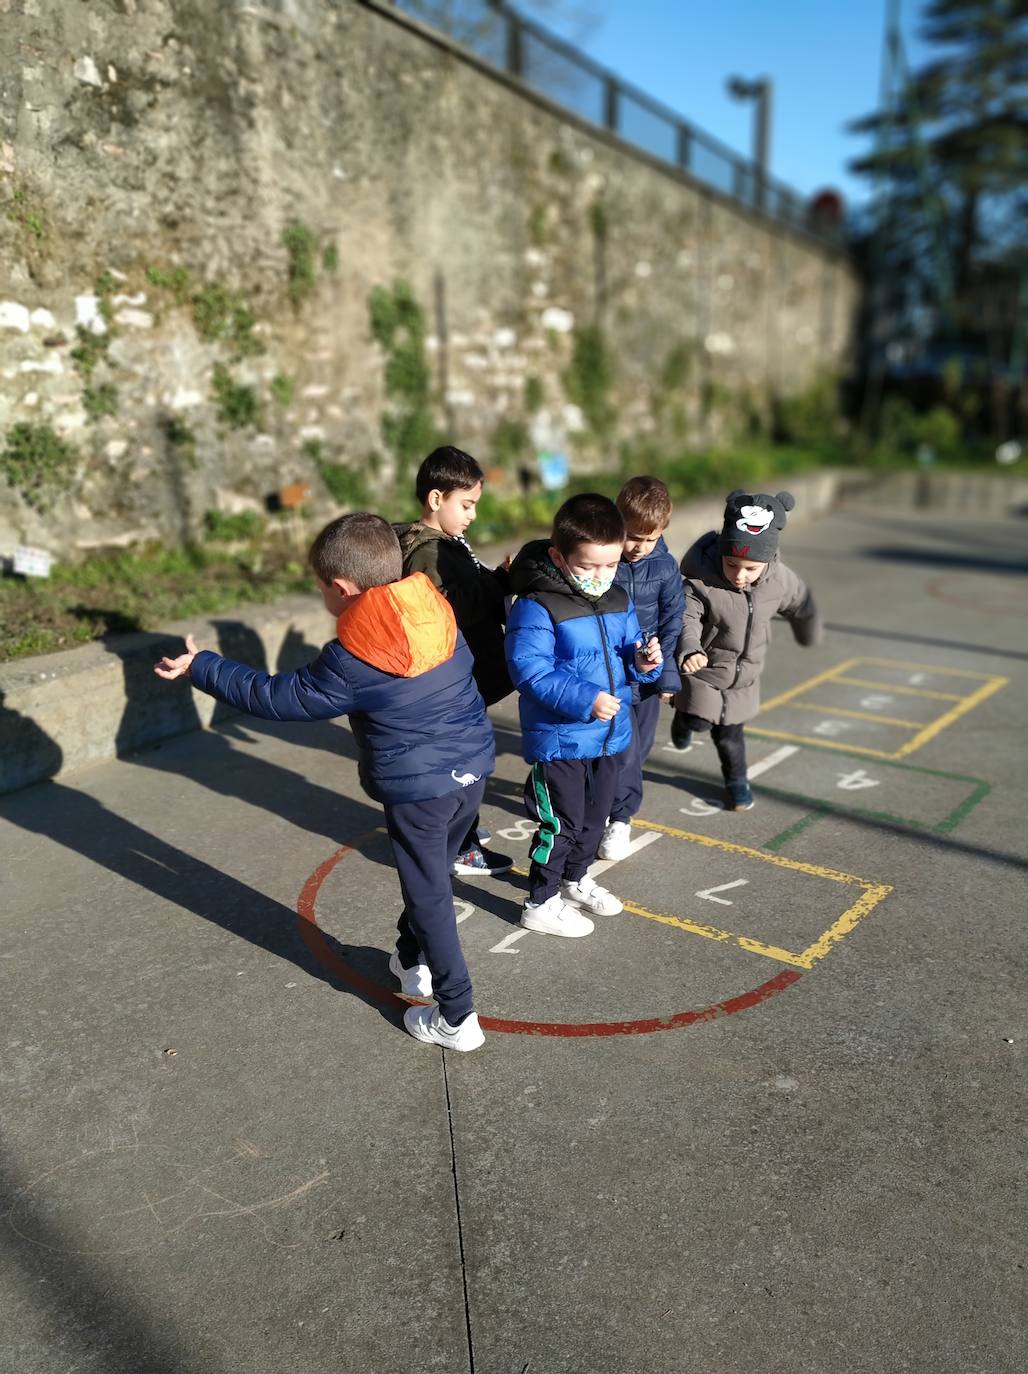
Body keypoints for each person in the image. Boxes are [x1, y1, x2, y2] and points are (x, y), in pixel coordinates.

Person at [153, 512, 494, 1052]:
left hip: (418, 789)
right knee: (432, 880)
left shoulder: (352, 656)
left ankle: (458, 1015)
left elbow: (277, 696)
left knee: (429, 893)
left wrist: (204, 667)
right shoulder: (434, 608)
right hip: (472, 770)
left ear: (341, 588)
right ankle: (411, 957)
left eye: (321, 590)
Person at [505, 493, 663, 937]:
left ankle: (575, 879)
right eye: (587, 566)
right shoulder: (536, 606)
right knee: (563, 822)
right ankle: (540, 899)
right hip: (562, 738)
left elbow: (627, 653)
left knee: (596, 819)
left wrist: (645, 663)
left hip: (609, 734)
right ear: (558, 556)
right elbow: (529, 669)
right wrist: (585, 699)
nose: (600, 576)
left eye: (609, 566)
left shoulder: (618, 597)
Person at [394, 446, 514, 879]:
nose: (472, 515)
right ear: (435, 499)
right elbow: (445, 612)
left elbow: (466, 591)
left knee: (461, 762)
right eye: (466, 505)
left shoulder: (442, 544)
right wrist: (495, 587)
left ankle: (461, 835)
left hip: (458, 680)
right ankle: (460, 845)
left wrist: (496, 578)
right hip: (454, 680)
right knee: (463, 765)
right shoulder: (428, 553)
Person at [669, 490, 821, 809]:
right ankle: (684, 720)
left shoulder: (778, 580)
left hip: (743, 680)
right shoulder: (702, 581)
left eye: (750, 569)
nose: (740, 575)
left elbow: (801, 601)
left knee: (730, 737)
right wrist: (690, 647)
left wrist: (807, 632)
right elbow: (686, 618)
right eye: (732, 564)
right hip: (704, 674)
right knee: (700, 722)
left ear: (767, 560)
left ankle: (737, 782)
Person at [597, 476, 685, 861]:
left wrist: (667, 673)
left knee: (640, 747)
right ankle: (620, 817)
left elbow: (672, 619)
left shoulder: (665, 567)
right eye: (633, 537)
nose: (639, 547)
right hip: (609, 669)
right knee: (624, 749)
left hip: (648, 678)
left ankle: (616, 800)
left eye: (649, 539)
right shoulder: (604, 560)